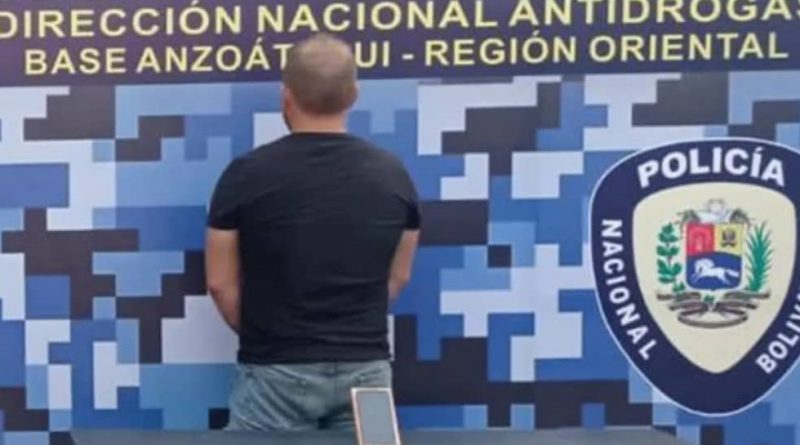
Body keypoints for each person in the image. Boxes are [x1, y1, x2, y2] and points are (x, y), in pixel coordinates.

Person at [204, 33, 421, 432]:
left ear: (285, 96)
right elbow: (399, 275)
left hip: (273, 374)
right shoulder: (393, 174)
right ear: (354, 95)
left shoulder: (245, 174)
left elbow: (220, 283)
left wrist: (267, 336)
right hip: (369, 374)